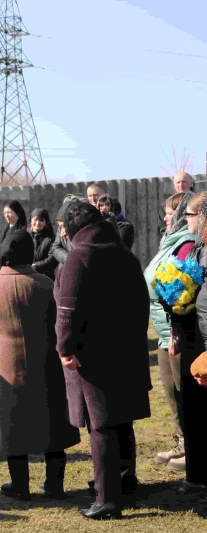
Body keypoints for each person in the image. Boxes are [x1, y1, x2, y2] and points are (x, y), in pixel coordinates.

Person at [54, 200, 150, 520]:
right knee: (121, 419)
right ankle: (124, 481)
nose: (62, 233)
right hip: (127, 349)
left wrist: (65, 350)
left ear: (75, 227)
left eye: (64, 227)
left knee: (101, 426)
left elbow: (67, 311)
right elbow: (142, 305)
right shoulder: (124, 254)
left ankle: (107, 499)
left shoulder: (79, 256)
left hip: (93, 354)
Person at [0, 229, 80, 501]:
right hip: (48, 362)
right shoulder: (45, 284)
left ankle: (20, 486)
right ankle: (55, 485)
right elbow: (63, 323)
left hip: (7, 364)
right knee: (54, 422)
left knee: (12, 424)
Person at [145, 192, 193, 470]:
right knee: (172, 392)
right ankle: (182, 442)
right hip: (164, 330)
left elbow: (179, 287)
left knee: (184, 394)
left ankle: (192, 449)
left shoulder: (186, 243)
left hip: (176, 330)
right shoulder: (169, 240)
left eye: (169, 213)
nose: (165, 217)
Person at [170, 191, 207, 492]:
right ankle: (196, 475)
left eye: (191, 215)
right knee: (193, 412)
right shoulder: (197, 247)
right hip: (194, 340)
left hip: (204, 344)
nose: (186, 220)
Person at [0, 201, 27, 275]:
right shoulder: (3, 231)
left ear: (17, 212)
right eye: (4, 213)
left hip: (16, 271)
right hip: (1, 271)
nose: (6, 215)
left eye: (9, 212)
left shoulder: (23, 231)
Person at [28, 208, 57, 281]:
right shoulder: (24, 236)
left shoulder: (52, 239)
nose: (38, 223)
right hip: (27, 278)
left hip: (45, 279)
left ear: (46, 222)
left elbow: (53, 259)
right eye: (36, 219)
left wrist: (36, 266)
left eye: (41, 220)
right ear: (31, 221)